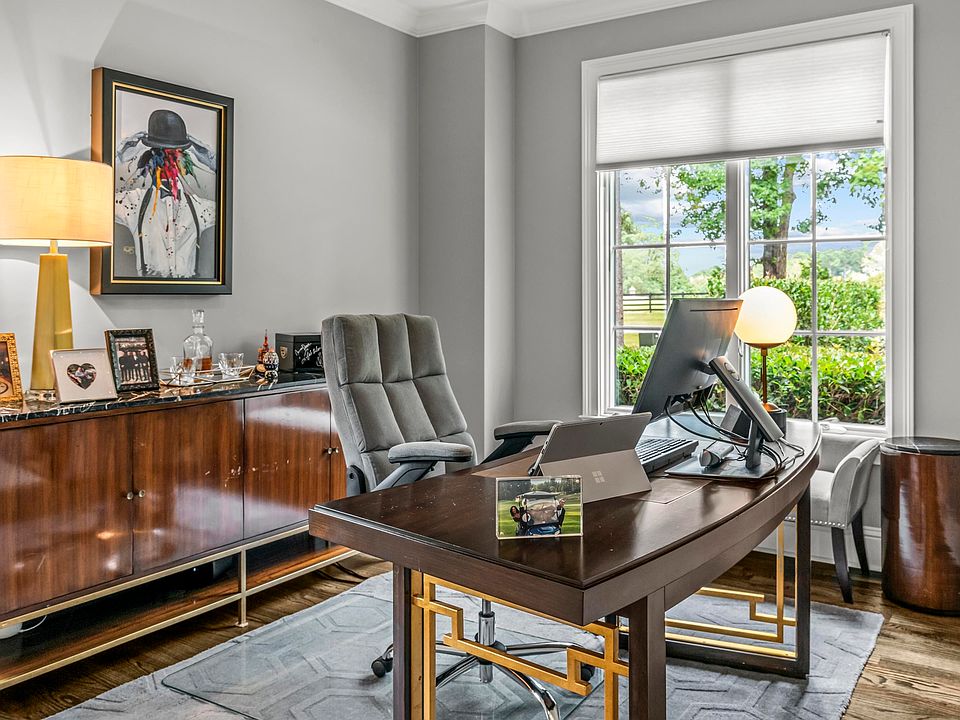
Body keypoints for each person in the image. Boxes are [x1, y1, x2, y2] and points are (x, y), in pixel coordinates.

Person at [114, 109, 217, 279]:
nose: (167, 166)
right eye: (160, 157)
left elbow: (236, 204)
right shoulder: (133, 203)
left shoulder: (201, 208)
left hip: (192, 293)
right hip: (144, 293)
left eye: (174, 157)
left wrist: (211, 159)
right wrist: (118, 156)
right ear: (149, 161)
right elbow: (91, 201)